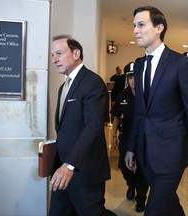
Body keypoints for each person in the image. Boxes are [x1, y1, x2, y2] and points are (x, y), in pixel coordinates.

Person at [125, 6, 188, 216]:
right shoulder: (140, 64)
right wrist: (132, 147)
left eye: (141, 25)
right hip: (145, 154)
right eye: (134, 25)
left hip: (171, 154)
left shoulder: (180, 64)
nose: (135, 30)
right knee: (169, 206)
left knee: (153, 211)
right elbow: (140, 111)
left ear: (159, 28)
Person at [49, 35, 116, 216]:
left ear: (76, 53)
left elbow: (93, 126)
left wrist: (69, 165)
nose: (54, 60)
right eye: (52, 55)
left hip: (84, 171)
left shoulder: (92, 83)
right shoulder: (64, 87)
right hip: (62, 168)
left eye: (59, 53)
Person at [111, 62, 149, 213]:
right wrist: (114, 135)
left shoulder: (147, 96)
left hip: (143, 138)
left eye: (136, 77)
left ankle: (141, 199)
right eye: (131, 77)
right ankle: (131, 185)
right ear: (127, 78)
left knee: (142, 169)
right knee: (124, 166)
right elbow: (116, 116)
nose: (134, 80)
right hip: (126, 136)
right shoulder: (122, 95)